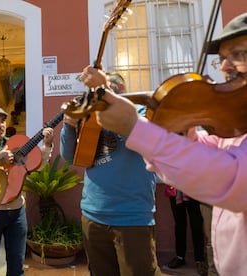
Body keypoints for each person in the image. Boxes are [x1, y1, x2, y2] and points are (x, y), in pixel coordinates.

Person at [78, 12, 247, 276]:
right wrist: (186, 129)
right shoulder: (236, 125)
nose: (224, 67)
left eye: (238, 55)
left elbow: (231, 178)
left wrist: (135, 127)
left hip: (132, 214)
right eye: (222, 58)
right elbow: (212, 148)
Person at [60, 72, 161, 275]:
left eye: (109, 91)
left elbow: (146, 139)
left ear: (121, 93)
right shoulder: (89, 118)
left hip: (132, 217)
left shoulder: (140, 113)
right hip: (92, 215)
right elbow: (70, 156)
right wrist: (70, 126)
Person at [0, 107, 54, 276]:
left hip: (17, 210)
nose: (1, 125)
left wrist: (47, 145)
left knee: (16, 267)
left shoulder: (16, 143)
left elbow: (37, 165)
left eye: (3, 120)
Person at [165, 186, 207, 276]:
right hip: (175, 187)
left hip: (194, 187)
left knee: (197, 225)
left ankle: (200, 259)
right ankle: (180, 257)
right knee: (179, 224)